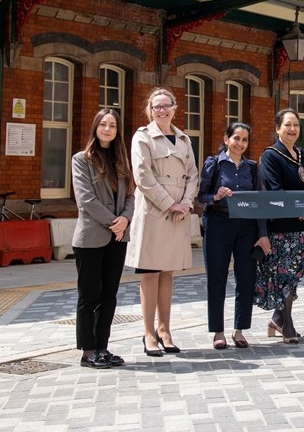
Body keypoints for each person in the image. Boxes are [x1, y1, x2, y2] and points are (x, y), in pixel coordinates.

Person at [126, 87, 199, 357]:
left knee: (168, 272)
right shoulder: (142, 137)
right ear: (150, 109)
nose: (162, 110)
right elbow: (143, 176)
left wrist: (187, 203)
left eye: (166, 105)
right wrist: (171, 203)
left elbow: (193, 174)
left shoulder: (184, 139)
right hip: (156, 212)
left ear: (175, 107)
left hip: (179, 213)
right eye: (157, 106)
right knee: (150, 273)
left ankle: (165, 329)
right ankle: (148, 333)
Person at [71, 108, 134, 369]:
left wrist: (125, 219)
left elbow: (131, 195)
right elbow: (86, 199)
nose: (107, 129)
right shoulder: (81, 159)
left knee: (109, 295)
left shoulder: (121, 160)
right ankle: (88, 351)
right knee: (89, 296)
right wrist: (113, 222)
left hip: (118, 237)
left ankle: (103, 347)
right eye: (103, 125)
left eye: (113, 126)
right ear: (95, 127)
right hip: (92, 237)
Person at [255, 108, 304, 344]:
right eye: (287, 125)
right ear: (277, 128)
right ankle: (287, 324)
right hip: (282, 228)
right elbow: (275, 192)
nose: (292, 129)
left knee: (294, 276)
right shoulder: (271, 156)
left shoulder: (302, 154)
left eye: (295, 125)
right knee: (283, 275)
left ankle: (277, 319)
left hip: (303, 230)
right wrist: (301, 214)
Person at [198, 123, 261, 350]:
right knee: (217, 278)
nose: (240, 143)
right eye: (236, 138)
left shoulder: (252, 168)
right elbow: (201, 196)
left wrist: (261, 234)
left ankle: (239, 329)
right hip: (218, 223)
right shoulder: (213, 164)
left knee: (246, 278)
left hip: (246, 226)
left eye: (244, 140)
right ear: (226, 139)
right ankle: (218, 331)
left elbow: (259, 202)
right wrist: (215, 196)